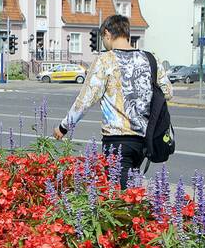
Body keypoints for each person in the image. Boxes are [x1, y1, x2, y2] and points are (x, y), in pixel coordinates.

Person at [53, 14, 172, 189]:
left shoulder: (105, 60)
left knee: (120, 198)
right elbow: (168, 91)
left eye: (103, 38)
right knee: (130, 192)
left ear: (107, 34)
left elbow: (85, 100)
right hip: (144, 140)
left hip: (116, 140)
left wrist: (64, 127)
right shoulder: (150, 59)